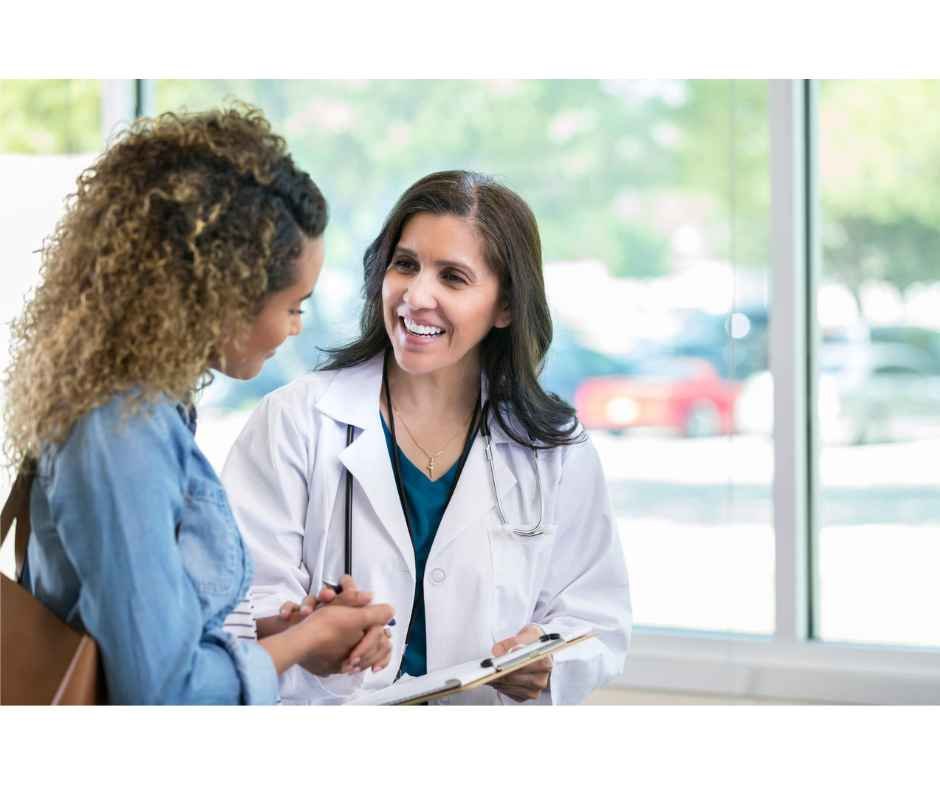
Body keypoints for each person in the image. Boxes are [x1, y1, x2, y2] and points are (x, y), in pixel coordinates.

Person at [2, 105, 394, 704]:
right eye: (293, 306)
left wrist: (285, 635)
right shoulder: (120, 433)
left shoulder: (146, 408)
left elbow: (143, 633)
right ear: (222, 297)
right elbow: (165, 694)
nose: (295, 328)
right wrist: (303, 640)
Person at [223, 170, 631, 704]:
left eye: (453, 278)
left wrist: (547, 659)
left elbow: (597, 619)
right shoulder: (295, 421)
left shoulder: (553, 448)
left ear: (506, 306)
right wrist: (307, 632)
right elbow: (238, 603)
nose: (416, 296)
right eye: (406, 264)